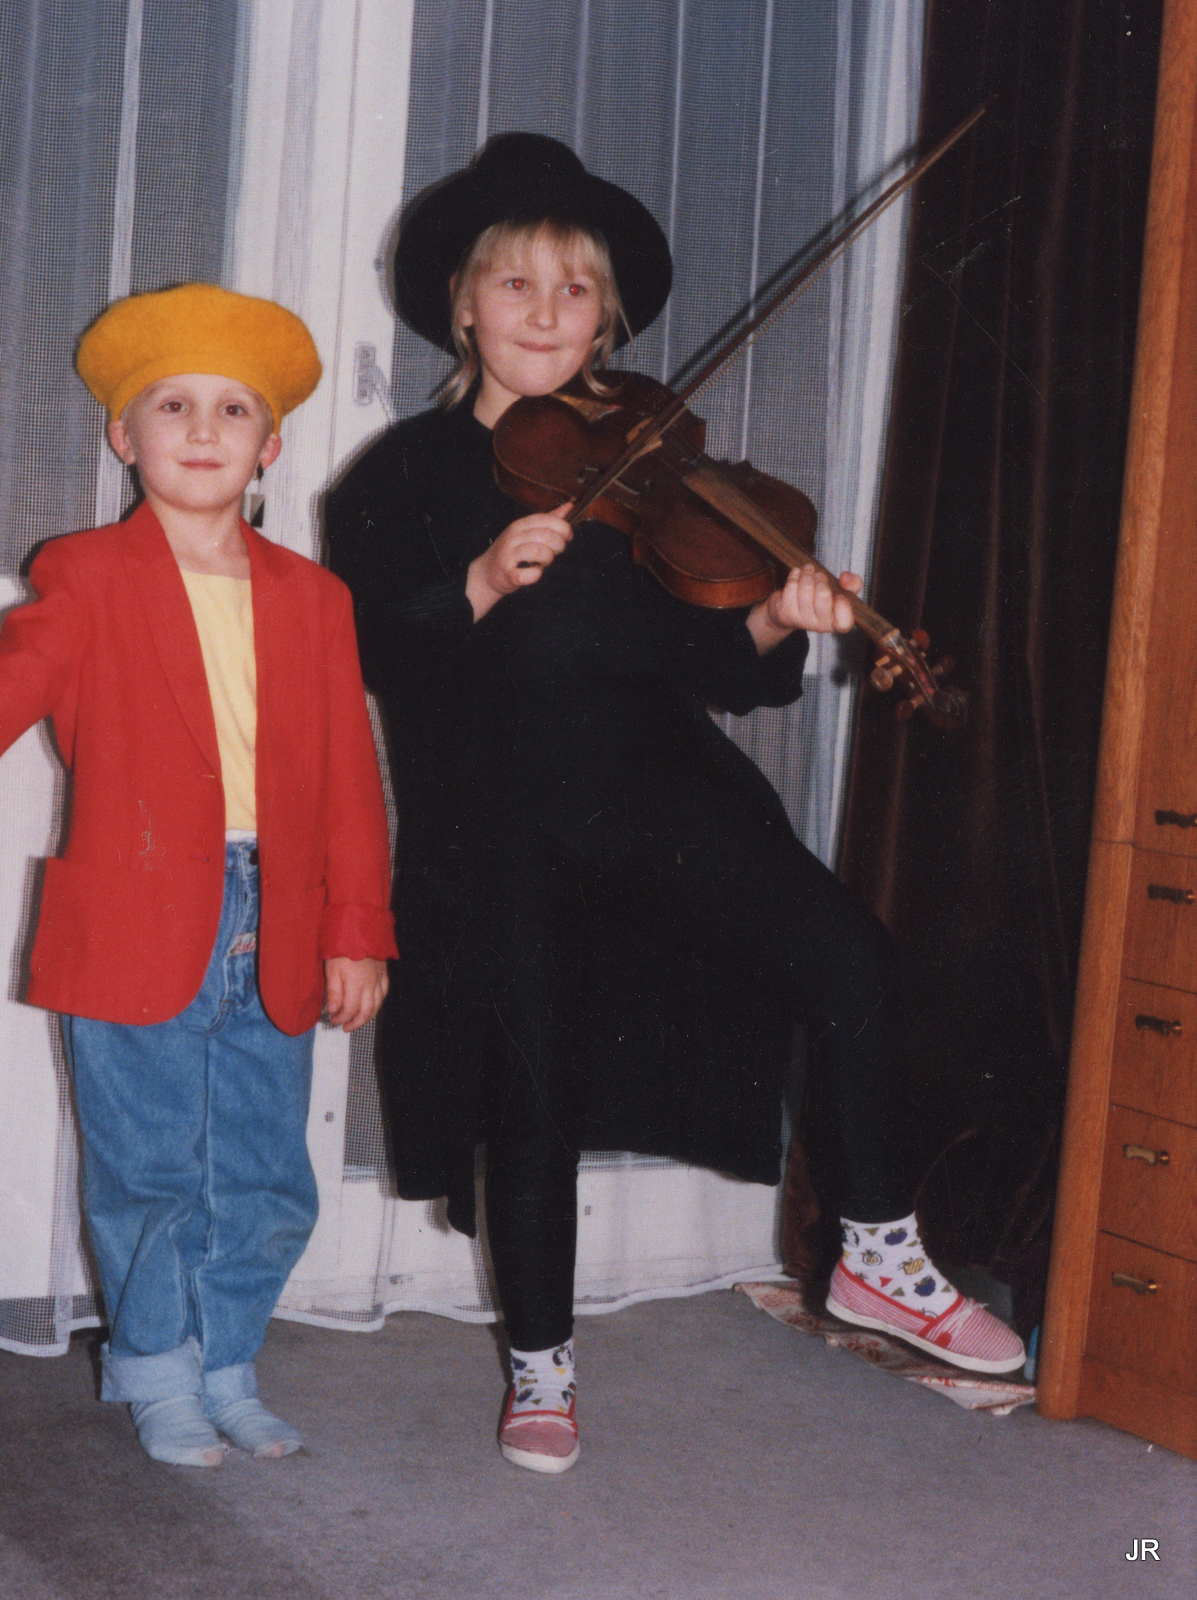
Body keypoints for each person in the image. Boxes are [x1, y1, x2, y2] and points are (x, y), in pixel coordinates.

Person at [325, 133, 1024, 1476]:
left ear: (608, 316)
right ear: (461, 306)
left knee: (850, 957)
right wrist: (476, 583)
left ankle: (877, 1247)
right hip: (500, 818)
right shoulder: (402, 476)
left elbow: (708, 665)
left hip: (657, 784)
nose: (545, 313)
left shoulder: (647, 459)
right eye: (515, 284)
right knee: (531, 1086)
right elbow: (362, 647)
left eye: (574, 289)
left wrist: (773, 615)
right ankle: (541, 1364)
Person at [0, 282, 397, 1467]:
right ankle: (159, 1370)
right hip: (135, 911)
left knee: (264, 1170)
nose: (204, 429)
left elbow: (349, 778)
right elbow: (5, 692)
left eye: (233, 409)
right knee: (152, 1167)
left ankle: (229, 1362)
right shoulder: (86, 573)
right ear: (124, 435)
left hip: (278, 913)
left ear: (271, 446)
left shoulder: (314, 599)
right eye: (174, 406)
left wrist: (357, 927)